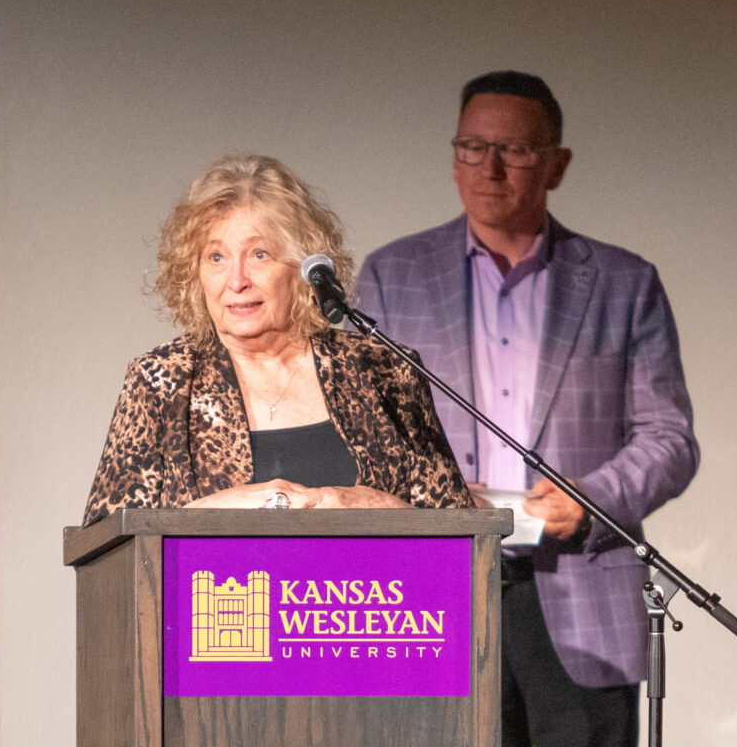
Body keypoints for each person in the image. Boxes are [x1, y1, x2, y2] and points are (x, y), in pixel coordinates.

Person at [355, 70, 700, 747]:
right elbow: (360, 437)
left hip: (580, 580)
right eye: (472, 148)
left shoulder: (622, 283)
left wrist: (583, 497)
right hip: (442, 596)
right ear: (452, 155)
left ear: (555, 163)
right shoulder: (388, 279)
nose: (490, 170)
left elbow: (668, 436)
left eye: (514, 151)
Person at [83, 154, 477, 523]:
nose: (236, 281)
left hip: (368, 596)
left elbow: (459, 537)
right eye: (216, 258)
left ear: (303, 267)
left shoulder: (384, 371)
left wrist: (383, 507)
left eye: (259, 255)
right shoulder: (160, 381)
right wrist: (211, 511)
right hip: (224, 598)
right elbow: (109, 547)